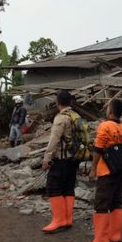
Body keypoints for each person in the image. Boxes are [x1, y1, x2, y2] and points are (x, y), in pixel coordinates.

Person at [83, 99, 122, 242]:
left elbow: (98, 149)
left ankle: (101, 240)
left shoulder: (104, 126)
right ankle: (115, 236)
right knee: (116, 201)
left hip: (106, 171)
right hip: (119, 170)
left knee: (101, 203)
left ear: (110, 111)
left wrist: (93, 169)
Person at [41, 91, 80, 233]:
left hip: (62, 159)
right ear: (70, 102)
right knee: (68, 187)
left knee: (53, 186)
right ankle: (68, 219)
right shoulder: (76, 116)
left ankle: (59, 220)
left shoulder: (61, 118)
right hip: (74, 158)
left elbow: (54, 140)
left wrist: (47, 158)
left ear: (57, 103)